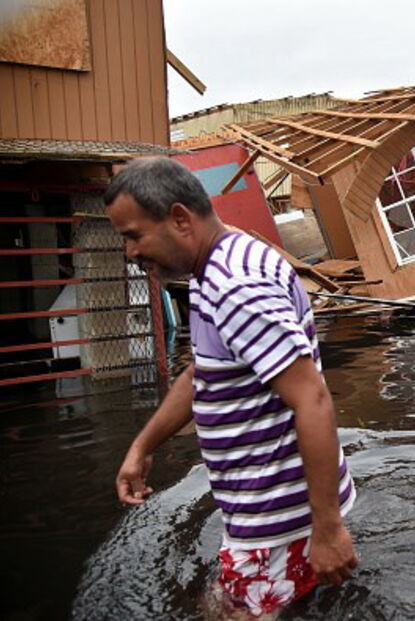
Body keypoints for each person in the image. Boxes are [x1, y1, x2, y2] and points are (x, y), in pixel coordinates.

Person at [106, 157, 357, 617]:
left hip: (276, 520)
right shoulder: (216, 266)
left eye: (134, 235)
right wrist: (143, 447)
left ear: (180, 218)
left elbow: (313, 399)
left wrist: (328, 530)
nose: (130, 252)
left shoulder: (235, 287)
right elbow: (203, 371)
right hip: (272, 508)